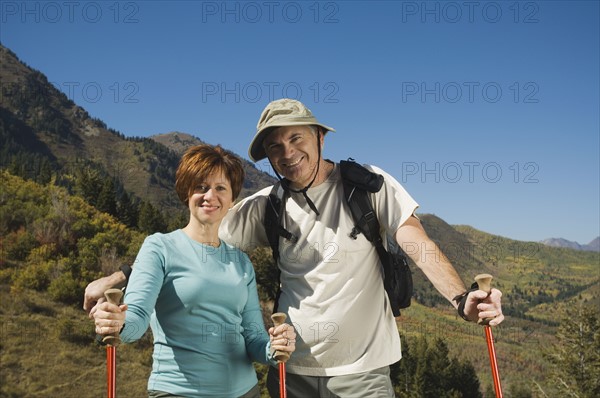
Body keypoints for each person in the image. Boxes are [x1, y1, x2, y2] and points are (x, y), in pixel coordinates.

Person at [86, 99, 504, 398]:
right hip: (289, 370)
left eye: (296, 138)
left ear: (320, 137)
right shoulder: (266, 206)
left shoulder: (368, 185)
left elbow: (417, 242)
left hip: (362, 372)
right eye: (274, 146)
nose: (287, 154)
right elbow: (193, 238)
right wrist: (120, 275)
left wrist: (461, 297)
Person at [91, 144, 296, 398]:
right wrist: (118, 322)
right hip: (179, 391)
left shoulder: (241, 262)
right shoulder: (159, 247)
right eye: (201, 187)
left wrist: (273, 349)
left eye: (221, 188)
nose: (210, 196)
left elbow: (253, 337)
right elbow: (136, 319)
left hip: (245, 391)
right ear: (186, 192)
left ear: (232, 198)